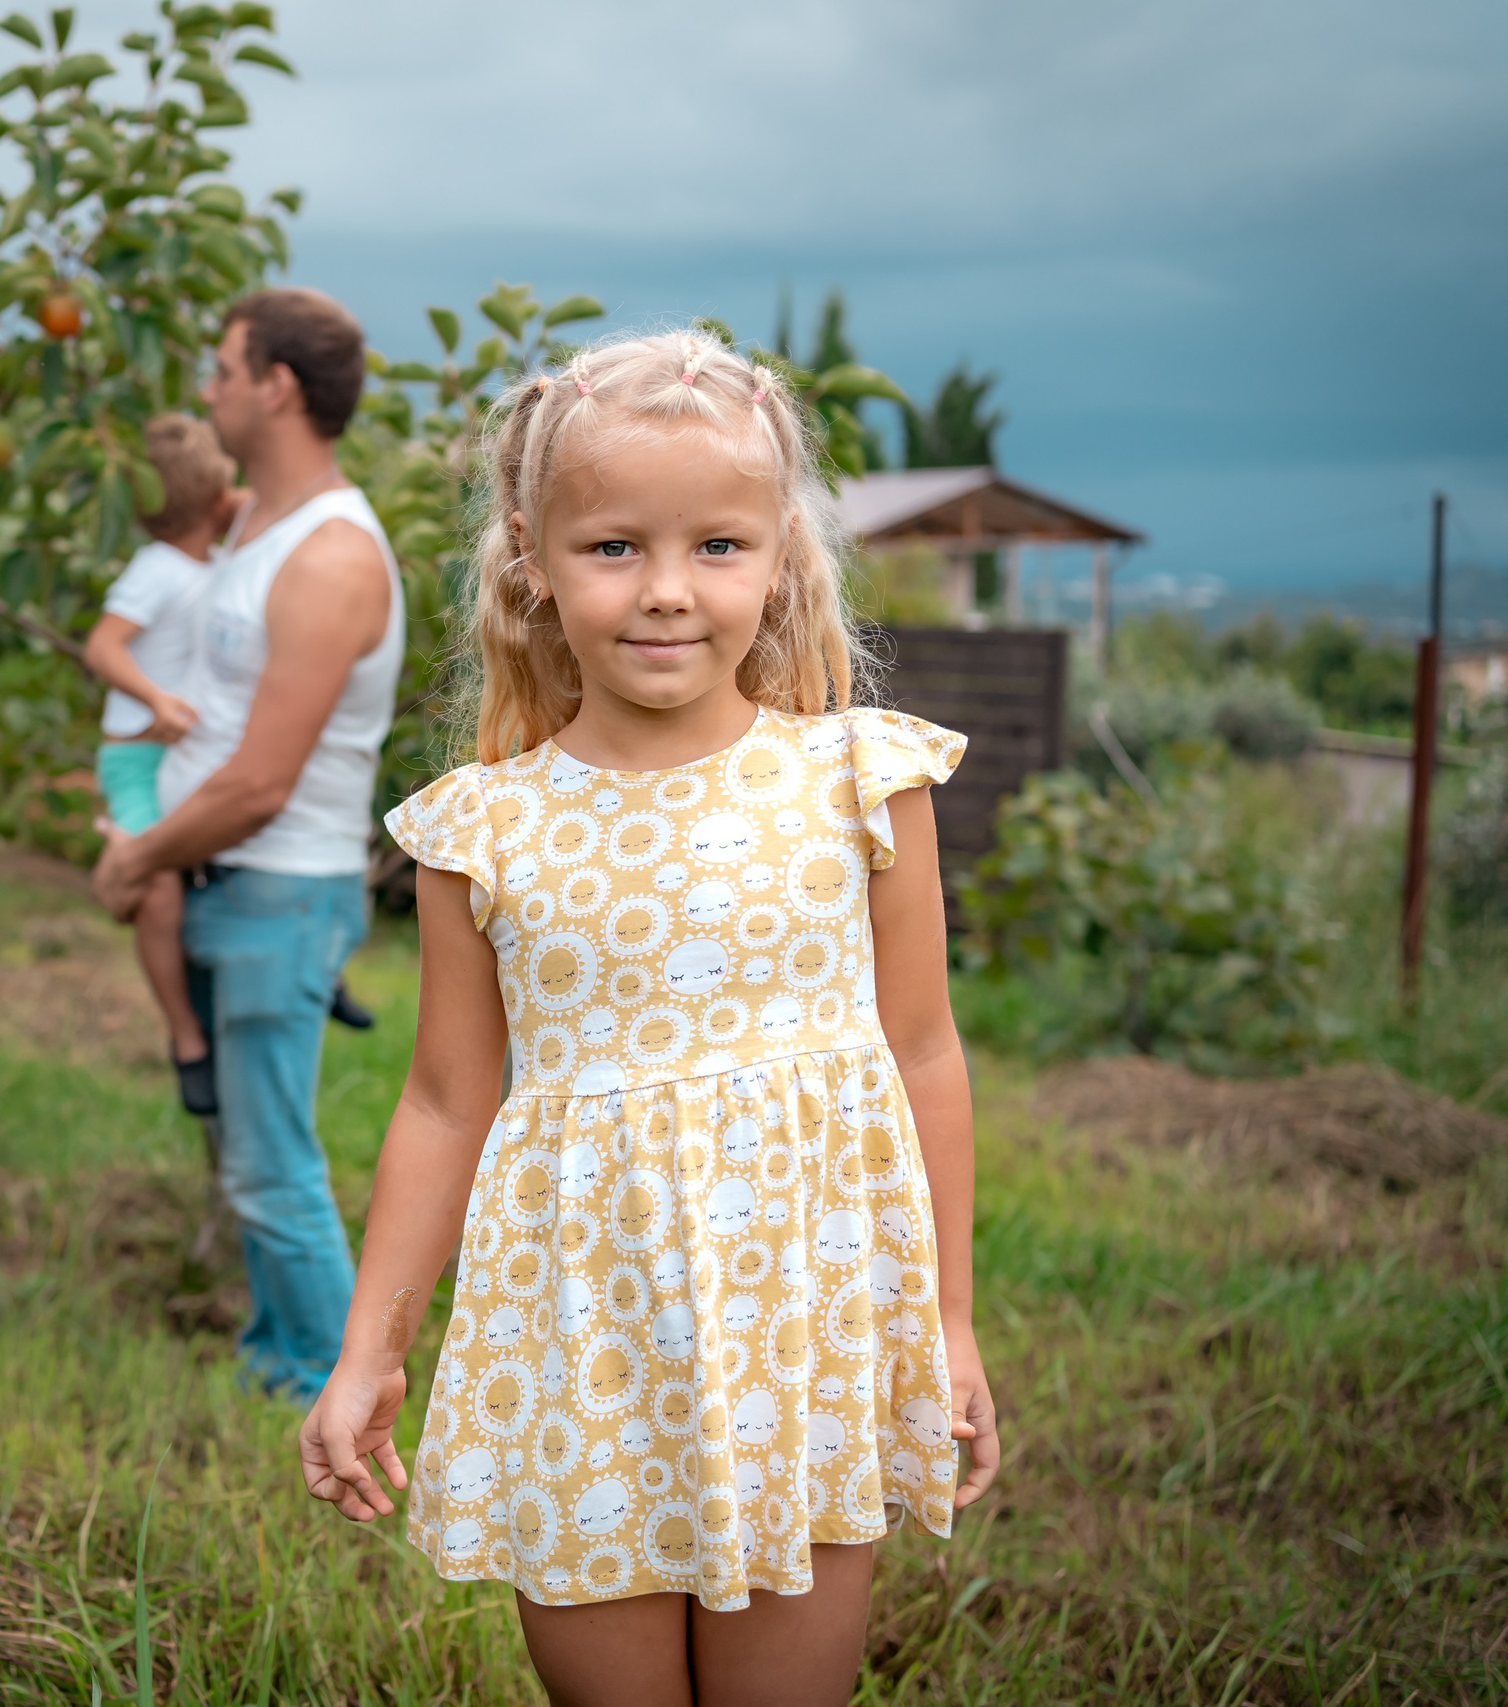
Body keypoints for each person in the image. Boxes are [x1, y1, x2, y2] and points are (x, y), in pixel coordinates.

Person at [295, 330, 1000, 1704]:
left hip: (805, 1343)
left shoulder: (860, 781)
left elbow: (923, 1048)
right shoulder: (481, 831)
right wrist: (370, 1348)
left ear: (783, 553)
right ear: (530, 558)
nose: (667, 592)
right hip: (584, 1360)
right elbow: (446, 1100)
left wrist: (951, 1322)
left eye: (719, 547)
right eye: (613, 547)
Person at [91, 288, 404, 1401]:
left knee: (274, 1164)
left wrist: (138, 856)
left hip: (278, 887)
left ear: (275, 386)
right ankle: (275, 1362)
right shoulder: (254, 527)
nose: (207, 389)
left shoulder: (329, 558)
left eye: (222, 369)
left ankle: (330, 1386)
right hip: (227, 875)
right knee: (250, 1152)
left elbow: (265, 779)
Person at [83, 414, 245, 1115]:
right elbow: (103, 647)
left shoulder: (220, 558)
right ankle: (186, 1038)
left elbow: (258, 502)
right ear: (212, 495)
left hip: (186, 754)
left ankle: (303, 977)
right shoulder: (157, 571)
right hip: (138, 758)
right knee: (158, 891)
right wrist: (155, 697)